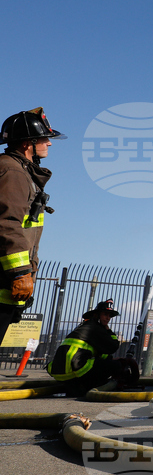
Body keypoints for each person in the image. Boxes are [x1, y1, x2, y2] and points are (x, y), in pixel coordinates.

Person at [0, 108, 64, 345]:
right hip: (5, 278)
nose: (49, 143)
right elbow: (6, 223)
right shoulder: (12, 171)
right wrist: (20, 272)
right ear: (29, 143)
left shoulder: (19, 170)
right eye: (44, 138)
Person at [47, 299, 138, 393]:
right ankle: (92, 386)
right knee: (116, 366)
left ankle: (78, 386)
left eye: (110, 316)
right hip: (75, 369)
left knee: (105, 363)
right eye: (105, 314)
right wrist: (108, 331)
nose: (108, 318)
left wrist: (110, 359)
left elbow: (100, 352)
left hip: (60, 372)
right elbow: (113, 346)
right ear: (97, 315)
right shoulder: (95, 328)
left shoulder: (84, 326)